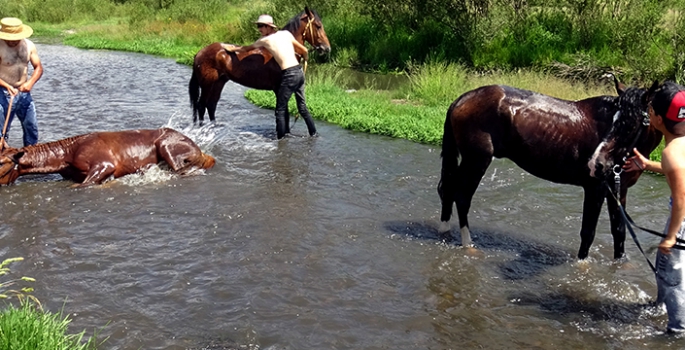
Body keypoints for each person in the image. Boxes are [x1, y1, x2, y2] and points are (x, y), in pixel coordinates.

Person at [624, 81, 685, 333]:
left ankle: (677, 329)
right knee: (665, 265)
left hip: (682, 221)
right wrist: (648, 165)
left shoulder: (671, 151)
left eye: (650, 112)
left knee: (671, 273)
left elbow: (682, 196)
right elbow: (679, 171)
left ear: (659, 120)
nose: (648, 115)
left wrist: (671, 236)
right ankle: (661, 306)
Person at [225, 14, 317, 139]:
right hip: (299, 73)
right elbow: (304, 51)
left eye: (261, 26)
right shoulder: (286, 34)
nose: (259, 29)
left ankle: (281, 141)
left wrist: (231, 48)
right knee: (302, 107)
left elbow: (245, 49)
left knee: (280, 110)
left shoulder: (265, 41)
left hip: (289, 74)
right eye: (258, 26)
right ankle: (314, 134)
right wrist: (305, 58)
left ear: (269, 27)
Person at [0, 17, 43, 147]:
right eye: (9, 38)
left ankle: (30, 161)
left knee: (31, 128)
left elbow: (39, 68)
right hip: (3, 93)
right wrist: (7, 86)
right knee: (2, 132)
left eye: (15, 38)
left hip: (24, 93)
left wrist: (30, 83)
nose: (12, 41)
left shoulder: (29, 45)